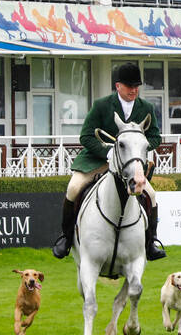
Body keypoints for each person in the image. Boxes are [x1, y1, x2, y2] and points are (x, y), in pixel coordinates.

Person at [52, 63, 165, 261]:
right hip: (98, 160)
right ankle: (66, 238)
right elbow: (86, 136)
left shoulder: (146, 108)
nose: (134, 90)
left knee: (152, 195)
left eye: (136, 86)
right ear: (118, 86)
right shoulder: (101, 105)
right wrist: (108, 152)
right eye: (129, 86)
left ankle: (151, 242)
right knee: (73, 187)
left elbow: (155, 137)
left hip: (129, 165)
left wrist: (138, 148)